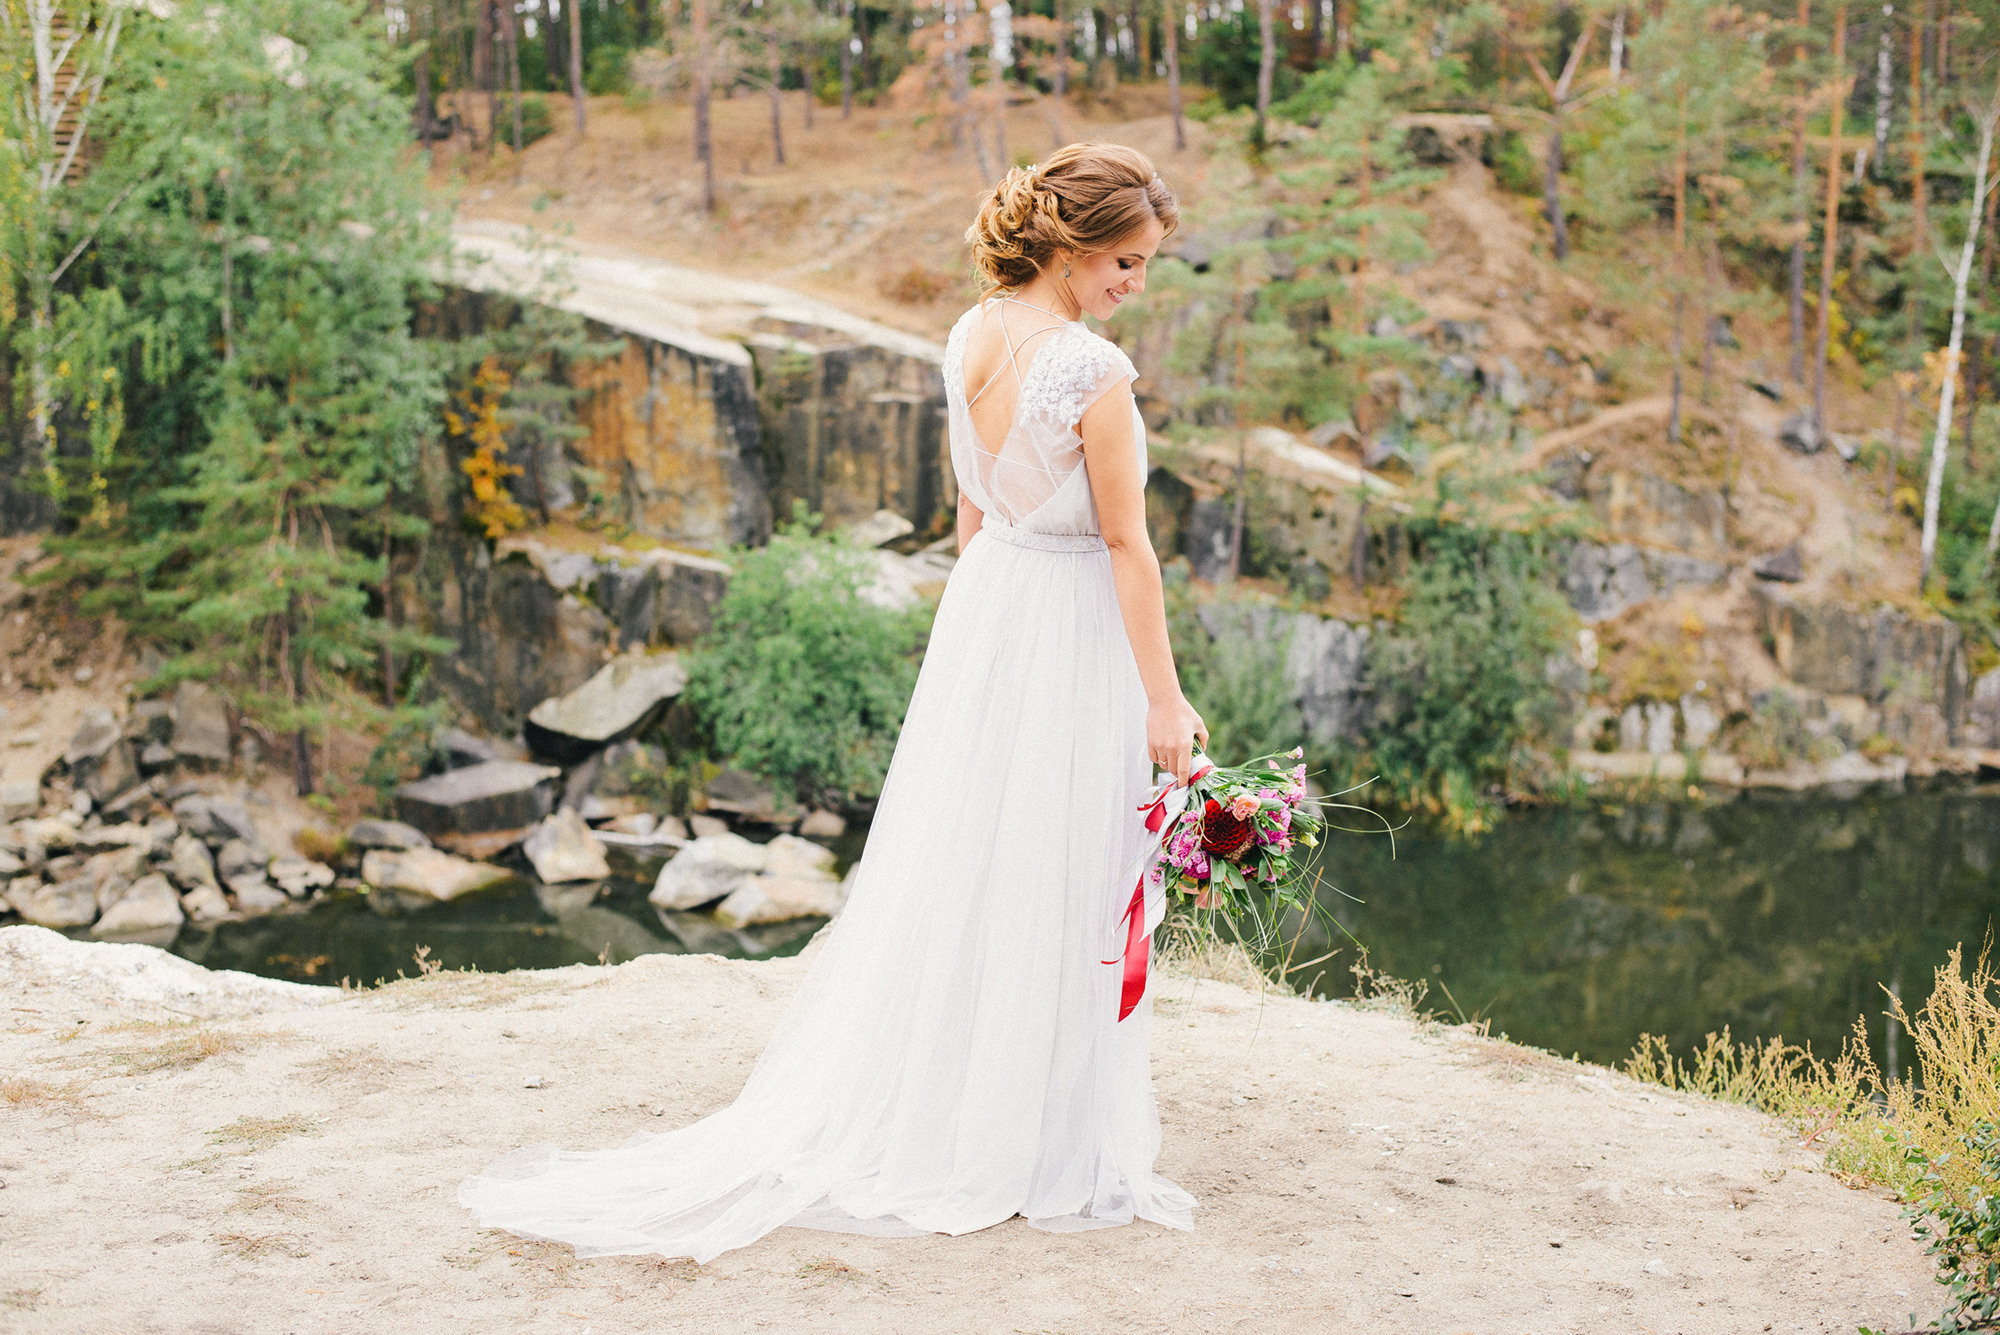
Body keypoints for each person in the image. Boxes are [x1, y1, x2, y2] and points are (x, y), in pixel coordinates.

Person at [459, 140, 1208, 1264]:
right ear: (1068, 242)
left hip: (990, 610)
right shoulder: (1091, 373)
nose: (1131, 285)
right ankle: (1027, 1131)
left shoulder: (972, 333)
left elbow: (973, 509)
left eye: (1143, 266)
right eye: (1125, 261)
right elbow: (1124, 547)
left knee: (975, 864)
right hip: (1060, 627)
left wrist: (970, 644)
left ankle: (972, 1099)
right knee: (1047, 864)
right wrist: (1165, 700)